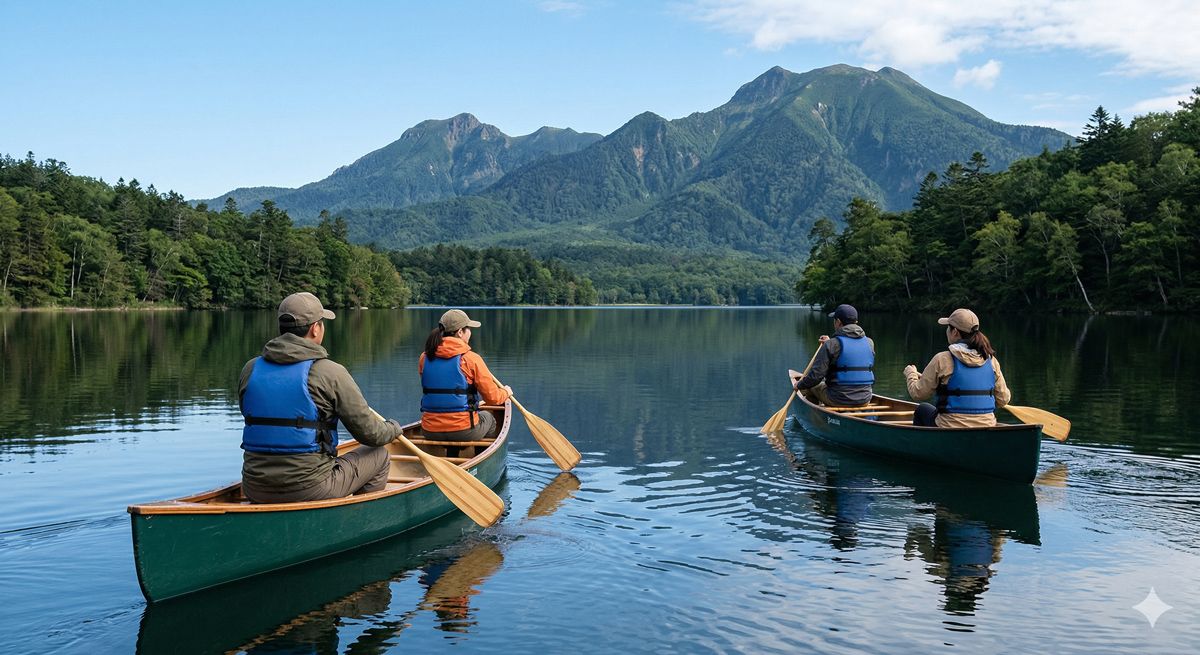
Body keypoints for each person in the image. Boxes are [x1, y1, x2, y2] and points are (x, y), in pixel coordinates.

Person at [239, 292, 405, 503]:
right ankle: (362, 517)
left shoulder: (250, 369)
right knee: (379, 454)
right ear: (315, 328)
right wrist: (393, 428)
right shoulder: (330, 372)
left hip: (254, 486)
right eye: (322, 323)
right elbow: (371, 435)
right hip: (311, 487)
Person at [903, 308, 1012, 428]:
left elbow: (918, 394)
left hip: (949, 426)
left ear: (955, 332)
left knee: (922, 409)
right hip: (987, 425)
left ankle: (921, 441)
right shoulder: (991, 361)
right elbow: (1003, 400)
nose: (947, 331)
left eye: (948, 327)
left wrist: (911, 374)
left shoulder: (942, 359)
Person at [419, 309, 511, 441]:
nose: (470, 333)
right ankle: (478, 451)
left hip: (429, 430)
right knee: (489, 418)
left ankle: (450, 451)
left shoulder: (424, 358)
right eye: (468, 329)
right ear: (460, 332)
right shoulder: (471, 359)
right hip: (463, 430)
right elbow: (493, 399)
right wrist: (506, 392)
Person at [794, 304, 875, 407]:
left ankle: (817, 414)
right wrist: (830, 342)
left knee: (809, 386)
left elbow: (815, 377)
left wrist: (799, 385)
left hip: (838, 399)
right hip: (865, 398)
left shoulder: (831, 345)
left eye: (834, 320)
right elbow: (852, 353)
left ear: (838, 322)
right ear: (856, 322)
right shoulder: (869, 342)